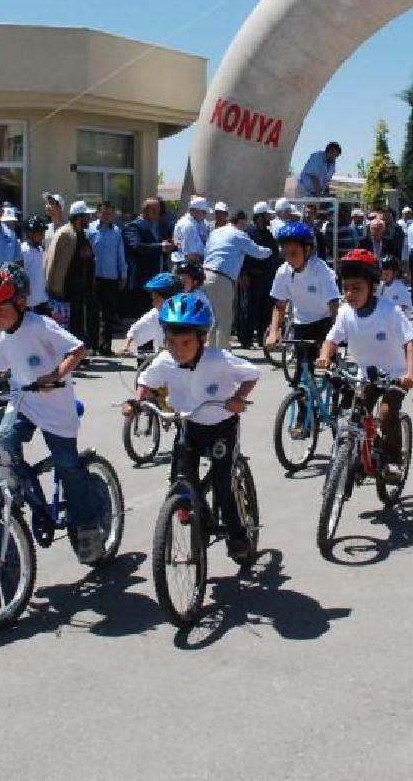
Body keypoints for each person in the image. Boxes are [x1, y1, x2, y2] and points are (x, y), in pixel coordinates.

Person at [0, 264, 109, 561]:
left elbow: (77, 349)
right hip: (23, 404)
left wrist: (55, 375)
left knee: (67, 465)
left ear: (21, 303)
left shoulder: (40, 326)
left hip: (54, 408)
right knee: (3, 443)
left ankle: (89, 526)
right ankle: (10, 495)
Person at [125, 293, 260, 563]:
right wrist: (137, 402)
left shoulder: (219, 360)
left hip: (222, 426)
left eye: (185, 342)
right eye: (171, 342)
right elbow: (147, 381)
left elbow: (252, 374)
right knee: (181, 480)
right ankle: (191, 511)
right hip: (189, 426)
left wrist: (238, 398)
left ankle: (237, 537)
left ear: (202, 338)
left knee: (223, 484)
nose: (178, 350)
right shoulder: (165, 361)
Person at [316, 249, 413, 479]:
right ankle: (357, 453)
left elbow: (409, 341)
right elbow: (331, 340)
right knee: (355, 413)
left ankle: (393, 460)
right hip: (365, 375)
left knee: (386, 413)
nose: (349, 294)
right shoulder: (345, 313)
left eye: (357, 288)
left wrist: (411, 373)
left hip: (395, 374)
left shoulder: (389, 311)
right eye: (345, 288)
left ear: (372, 288)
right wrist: (324, 356)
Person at [265, 222, 340, 376]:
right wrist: (274, 332)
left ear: (307, 250)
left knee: (330, 372)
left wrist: (335, 337)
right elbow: (280, 305)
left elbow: (333, 305)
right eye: (285, 254)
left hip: (324, 322)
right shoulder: (283, 271)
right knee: (302, 374)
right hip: (301, 323)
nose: (289, 259)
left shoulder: (320, 270)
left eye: (294, 253)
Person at [201, 206, 272, 349]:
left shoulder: (216, 232)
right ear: (240, 221)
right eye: (245, 224)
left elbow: (207, 251)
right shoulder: (239, 235)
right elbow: (258, 252)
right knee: (224, 318)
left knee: (211, 318)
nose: (245, 227)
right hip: (221, 279)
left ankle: (209, 351)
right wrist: (271, 250)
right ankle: (222, 353)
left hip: (205, 276)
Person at [46, 200, 96, 344]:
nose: (89, 219)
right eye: (86, 216)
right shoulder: (66, 234)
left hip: (80, 290)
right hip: (66, 291)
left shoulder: (81, 234)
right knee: (67, 329)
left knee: (78, 326)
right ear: (79, 217)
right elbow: (54, 262)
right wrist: (54, 288)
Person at [86, 201, 128, 356]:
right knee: (93, 313)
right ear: (98, 213)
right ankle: (92, 345)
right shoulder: (90, 230)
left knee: (108, 314)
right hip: (94, 277)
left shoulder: (116, 232)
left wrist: (123, 275)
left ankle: (106, 346)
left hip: (111, 278)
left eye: (109, 214)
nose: (106, 216)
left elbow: (120, 255)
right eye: (104, 213)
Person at [237, 201, 281, 349]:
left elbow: (274, 255)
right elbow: (242, 256)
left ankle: (264, 338)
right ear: (260, 217)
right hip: (252, 279)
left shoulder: (268, 234)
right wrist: (244, 273)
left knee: (265, 310)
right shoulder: (248, 233)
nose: (269, 219)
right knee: (249, 309)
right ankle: (246, 339)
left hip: (267, 279)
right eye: (266, 216)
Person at [123, 197, 173, 314]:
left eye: (158, 212)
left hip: (156, 279)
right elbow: (136, 246)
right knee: (142, 314)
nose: (157, 215)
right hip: (142, 280)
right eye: (154, 211)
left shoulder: (156, 226)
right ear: (145, 211)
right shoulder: (134, 226)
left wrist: (171, 245)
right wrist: (161, 247)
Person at [121, 272, 182, 357]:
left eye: (155, 298)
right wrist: (126, 345)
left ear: (169, 298)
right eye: (153, 298)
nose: (153, 303)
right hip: (166, 358)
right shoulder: (156, 314)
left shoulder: (186, 315)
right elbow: (136, 329)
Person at [21, 216, 52, 315]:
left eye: (43, 233)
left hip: (42, 299)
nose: (42, 236)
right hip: (30, 302)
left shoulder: (40, 249)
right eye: (39, 233)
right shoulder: (23, 251)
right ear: (30, 233)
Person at [172, 197, 212, 264]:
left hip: (188, 264)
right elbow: (191, 256)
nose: (205, 215)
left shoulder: (193, 222)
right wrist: (210, 260)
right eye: (204, 212)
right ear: (197, 211)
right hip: (187, 266)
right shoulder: (188, 227)